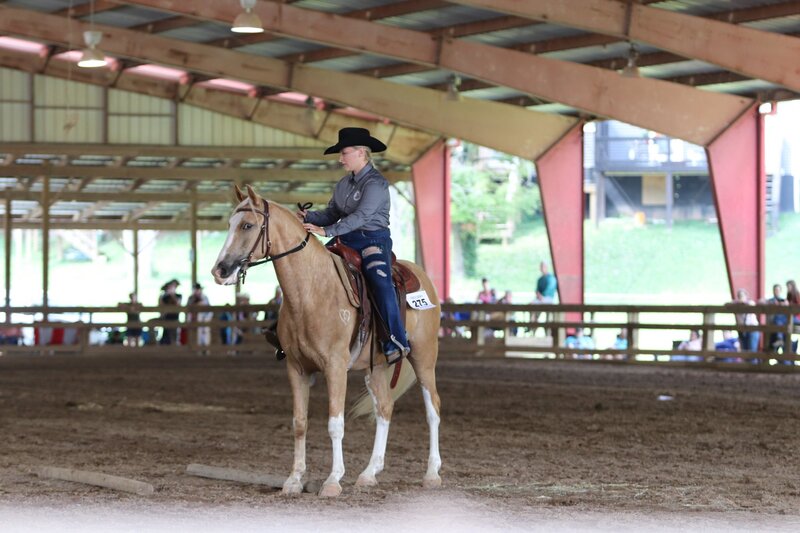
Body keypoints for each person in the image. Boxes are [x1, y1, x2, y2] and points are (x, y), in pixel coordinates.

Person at [299, 127, 410, 365]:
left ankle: (396, 340)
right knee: (309, 269)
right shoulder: (343, 184)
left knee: (379, 280)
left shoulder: (377, 184)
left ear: (361, 152)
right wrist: (309, 217)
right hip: (346, 239)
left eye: (344, 153)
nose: (340, 158)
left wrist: (326, 231)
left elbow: (361, 217)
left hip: (373, 240)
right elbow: (332, 212)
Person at [760, 283, 788, 352]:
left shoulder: (783, 301)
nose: (776, 291)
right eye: (775, 290)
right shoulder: (770, 301)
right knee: (771, 346)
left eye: (778, 290)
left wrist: (783, 304)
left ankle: (779, 339)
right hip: (771, 325)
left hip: (782, 326)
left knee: (785, 347)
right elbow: (761, 302)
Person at [731, 288, 760, 352]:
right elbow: (728, 304)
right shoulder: (736, 306)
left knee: (751, 352)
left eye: (742, 296)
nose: (740, 298)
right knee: (744, 351)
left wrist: (739, 304)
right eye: (739, 296)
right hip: (742, 331)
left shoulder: (750, 303)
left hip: (752, 329)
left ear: (746, 296)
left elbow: (750, 304)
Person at [186, 283, 212, 348]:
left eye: (197, 290)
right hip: (193, 320)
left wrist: (206, 319)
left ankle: (205, 351)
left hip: (204, 320)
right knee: (194, 337)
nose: (196, 291)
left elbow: (209, 310)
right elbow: (188, 310)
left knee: (205, 336)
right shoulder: (191, 298)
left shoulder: (205, 298)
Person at [159, 279, 182, 345]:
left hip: (175, 319)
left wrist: (172, 295)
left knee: (174, 337)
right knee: (166, 337)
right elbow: (161, 306)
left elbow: (178, 304)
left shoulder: (179, 296)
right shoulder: (164, 297)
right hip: (166, 319)